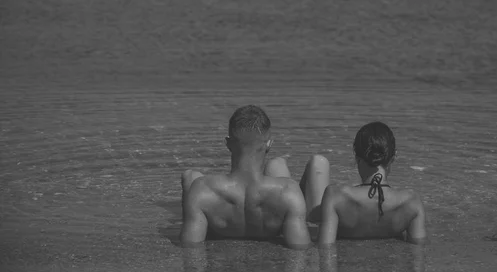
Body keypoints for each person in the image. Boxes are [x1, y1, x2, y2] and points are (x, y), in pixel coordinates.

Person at [179, 105, 311, 250]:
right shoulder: (288, 191)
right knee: (278, 165)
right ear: (269, 144)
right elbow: (300, 251)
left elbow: (190, 251)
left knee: (190, 176)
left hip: (220, 245)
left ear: (228, 143)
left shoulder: (202, 190)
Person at [315, 121, 428, 245]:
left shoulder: (336, 196)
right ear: (394, 157)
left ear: (357, 158)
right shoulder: (411, 202)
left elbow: (325, 249)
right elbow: (418, 253)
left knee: (316, 165)